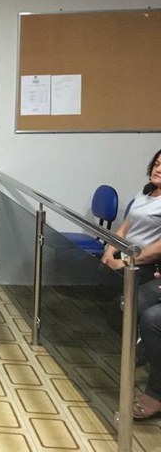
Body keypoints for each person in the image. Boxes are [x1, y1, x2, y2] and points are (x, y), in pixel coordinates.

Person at [102, 149, 161, 419]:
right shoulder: (145, 193)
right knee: (106, 299)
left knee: (134, 310)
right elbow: (125, 228)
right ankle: (135, 351)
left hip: (145, 265)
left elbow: (157, 248)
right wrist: (110, 251)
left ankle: (145, 364)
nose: (158, 169)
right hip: (126, 257)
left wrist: (125, 262)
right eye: (156, 164)